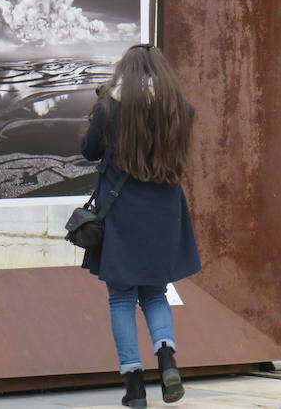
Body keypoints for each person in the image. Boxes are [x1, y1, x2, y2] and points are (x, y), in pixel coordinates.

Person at [80, 44, 201, 408]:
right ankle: (166, 360)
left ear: (125, 73)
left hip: (121, 215)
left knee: (121, 298)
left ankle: (134, 386)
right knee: (155, 292)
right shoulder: (181, 110)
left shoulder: (109, 108)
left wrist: (98, 110)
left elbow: (89, 151)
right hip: (165, 212)